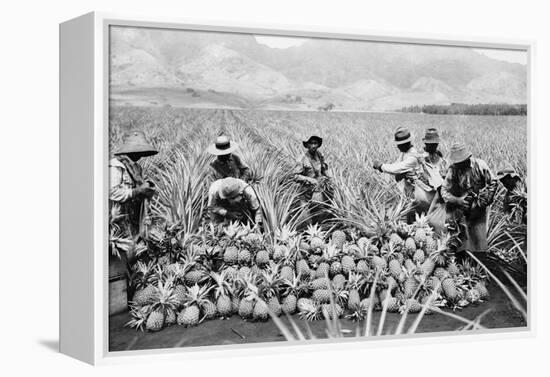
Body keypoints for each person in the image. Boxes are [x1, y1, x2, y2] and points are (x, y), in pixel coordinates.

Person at [441, 143, 497, 254]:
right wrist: (458, 200)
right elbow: (444, 191)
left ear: (468, 158)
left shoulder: (480, 165)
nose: (460, 164)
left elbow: (493, 182)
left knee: (479, 240)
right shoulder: (453, 169)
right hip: (462, 208)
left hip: (479, 208)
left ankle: (480, 260)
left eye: (462, 162)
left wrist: (483, 201)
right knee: (463, 241)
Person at [373, 127, 432, 222]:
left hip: (416, 193)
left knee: (413, 215)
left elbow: (396, 168)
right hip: (408, 191)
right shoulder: (405, 152)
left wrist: (381, 166)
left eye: (399, 145)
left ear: (405, 144)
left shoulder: (412, 157)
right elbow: (396, 164)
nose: (398, 147)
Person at [109, 130, 158, 240]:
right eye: (139, 152)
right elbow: (112, 193)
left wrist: (147, 188)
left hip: (132, 216)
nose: (141, 155)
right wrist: (138, 191)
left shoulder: (136, 168)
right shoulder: (116, 166)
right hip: (117, 219)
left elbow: (140, 187)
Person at [294, 135, 333, 223]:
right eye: (311, 143)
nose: (313, 145)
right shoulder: (302, 159)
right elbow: (295, 176)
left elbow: (324, 169)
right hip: (305, 192)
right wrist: (310, 179)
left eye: (315, 143)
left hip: (317, 190)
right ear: (307, 145)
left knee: (319, 212)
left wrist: (329, 178)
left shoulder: (319, 155)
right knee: (306, 216)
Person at [421, 128, 448, 234]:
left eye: (434, 144)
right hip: (425, 196)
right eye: (430, 144)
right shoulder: (420, 159)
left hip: (438, 197)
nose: (432, 146)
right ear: (425, 144)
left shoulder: (442, 161)